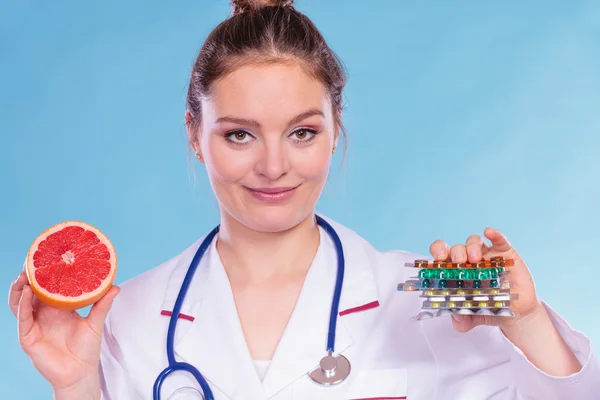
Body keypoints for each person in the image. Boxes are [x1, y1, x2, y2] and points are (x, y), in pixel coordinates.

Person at [8, 0, 600, 399]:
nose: (273, 166)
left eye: (302, 132)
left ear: (336, 128)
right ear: (194, 134)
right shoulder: (129, 318)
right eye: (239, 133)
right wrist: (80, 386)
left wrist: (526, 324)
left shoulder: (426, 291)